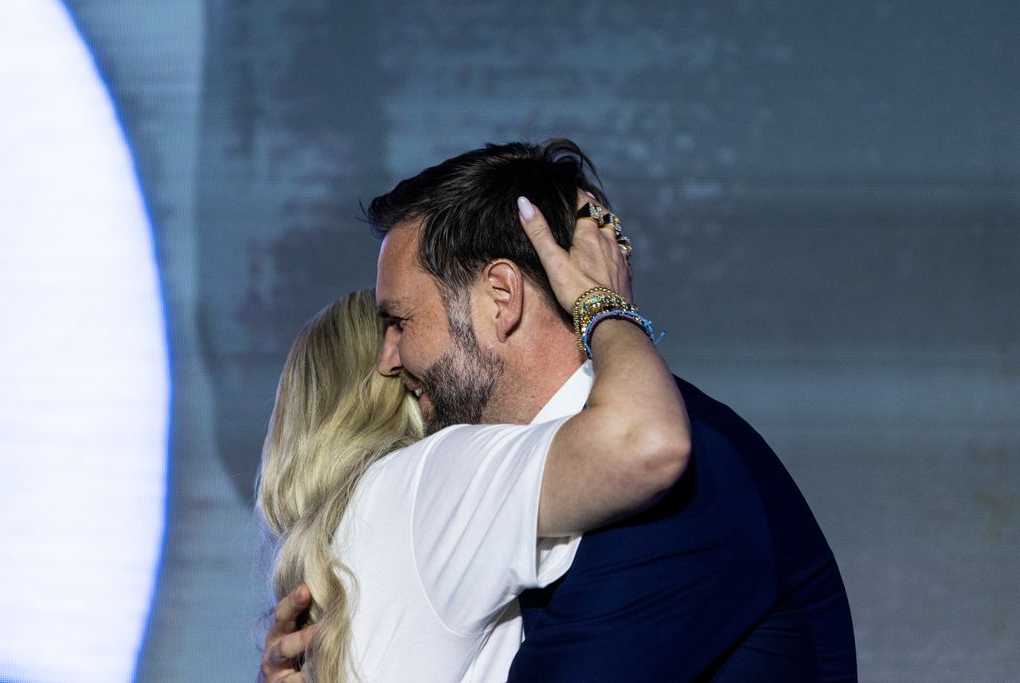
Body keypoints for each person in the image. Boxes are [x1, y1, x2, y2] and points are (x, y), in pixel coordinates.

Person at [262, 139, 857, 682]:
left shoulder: (682, 485)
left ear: (502, 298)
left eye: (400, 321)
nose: (388, 359)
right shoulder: (542, 483)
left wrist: (603, 306)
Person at [257, 190, 691, 681]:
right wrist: (603, 302)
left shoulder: (347, 539)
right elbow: (644, 441)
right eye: (392, 326)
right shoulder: (426, 480)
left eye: (401, 324)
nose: (391, 358)